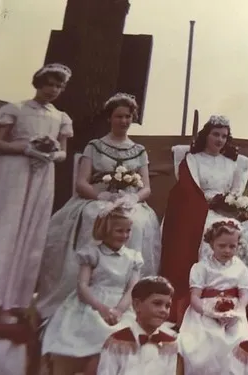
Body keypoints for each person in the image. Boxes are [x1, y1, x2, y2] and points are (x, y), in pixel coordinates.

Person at [160, 115, 248, 324]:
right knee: (214, 230)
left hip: (228, 208)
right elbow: (190, 190)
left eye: (224, 136)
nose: (220, 140)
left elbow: (236, 192)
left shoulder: (233, 164)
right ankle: (211, 291)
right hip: (202, 208)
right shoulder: (194, 159)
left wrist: (234, 206)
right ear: (206, 135)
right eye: (215, 135)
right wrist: (214, 203)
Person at [36, 92, 161, 320]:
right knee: (96, 216)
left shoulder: (139, 150)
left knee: (139, 222)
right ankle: (90, 285)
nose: (124, 121)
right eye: (119, 116)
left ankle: (129, 291)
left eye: (128, 116)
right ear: (110, 118)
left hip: (128, 200)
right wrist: (101, 196)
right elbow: (82, 182)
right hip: (97, 197)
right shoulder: (95, 146)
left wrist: (133, 198)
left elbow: (146, 188)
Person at [0, 63, 73, 325]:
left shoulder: (61, 117)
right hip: (12, 173)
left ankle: (14, 302)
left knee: (30, 235)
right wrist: (25, 148)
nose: (53, 90)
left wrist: (50, 152)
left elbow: (63, 153)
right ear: (38, 83)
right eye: (49, 83)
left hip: (41, 175)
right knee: (4, 231)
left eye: (58, 86)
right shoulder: (15, 109)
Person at [41, 204, 143, 375]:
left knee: (123, 336)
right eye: (119, 231)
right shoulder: (93, 253)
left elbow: (133, 288)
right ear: (106, 229)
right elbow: (82, 286)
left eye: (128, 230)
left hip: (120, 304)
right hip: (93, 302)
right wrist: (102, 309)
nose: (125, 235)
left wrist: (118, 310)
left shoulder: (133, 258)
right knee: (92, 333)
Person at [179, 219, 248, 375]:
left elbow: (244, 296)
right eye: (222, 245)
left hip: (233, 311)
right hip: (205, 310)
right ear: (211, 244)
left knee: (239, 340)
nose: (227, 250)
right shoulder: (201, 267)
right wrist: (211, 313)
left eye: (232, 246)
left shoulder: (241, 268)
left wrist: (236, 313)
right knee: (206, 343)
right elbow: (195, 298)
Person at [97, 276, 180, 375]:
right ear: (137, 305)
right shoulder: (117, 342)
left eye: (167, 306)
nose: (163, 310)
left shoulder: (170, 344)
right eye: (157, 303)